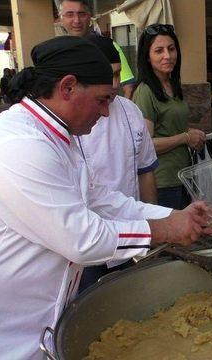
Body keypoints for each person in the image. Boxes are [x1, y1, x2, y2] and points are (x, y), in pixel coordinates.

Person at [0, 36, 207, 359]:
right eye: (102, 100)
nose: (107, 113)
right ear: (67, 88)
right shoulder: (16, 144)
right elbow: (82, 237)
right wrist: (166, 230)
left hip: (30, 327)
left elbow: (104, 201)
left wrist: (178, 217)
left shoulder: (60, 138)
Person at [77, 34, 159, 292]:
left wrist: (154, 227)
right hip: (86, 243)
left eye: (116, 75)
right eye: (106, 77)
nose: (113, 85)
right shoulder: (73, 122)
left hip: (130, 230)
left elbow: (145, 172)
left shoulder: (130, 111)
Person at [132, 24, 206, 210]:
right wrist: (185, 137)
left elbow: (171, 126)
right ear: (147, 57)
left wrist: (189, 133)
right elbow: (146, 145)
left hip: (184, 176)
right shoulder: (145, 92)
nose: (167, 55)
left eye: (171, 49)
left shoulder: (172, 85)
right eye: (159, 51)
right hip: (163, 181)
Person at [58, 0, 137, 98]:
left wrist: (122, 111)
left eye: (82, 14)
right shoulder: (57, 53)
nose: (77, 20)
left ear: (89, 17)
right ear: (61, 19)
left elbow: (128, 85)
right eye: (70, 15)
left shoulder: (108, 46)